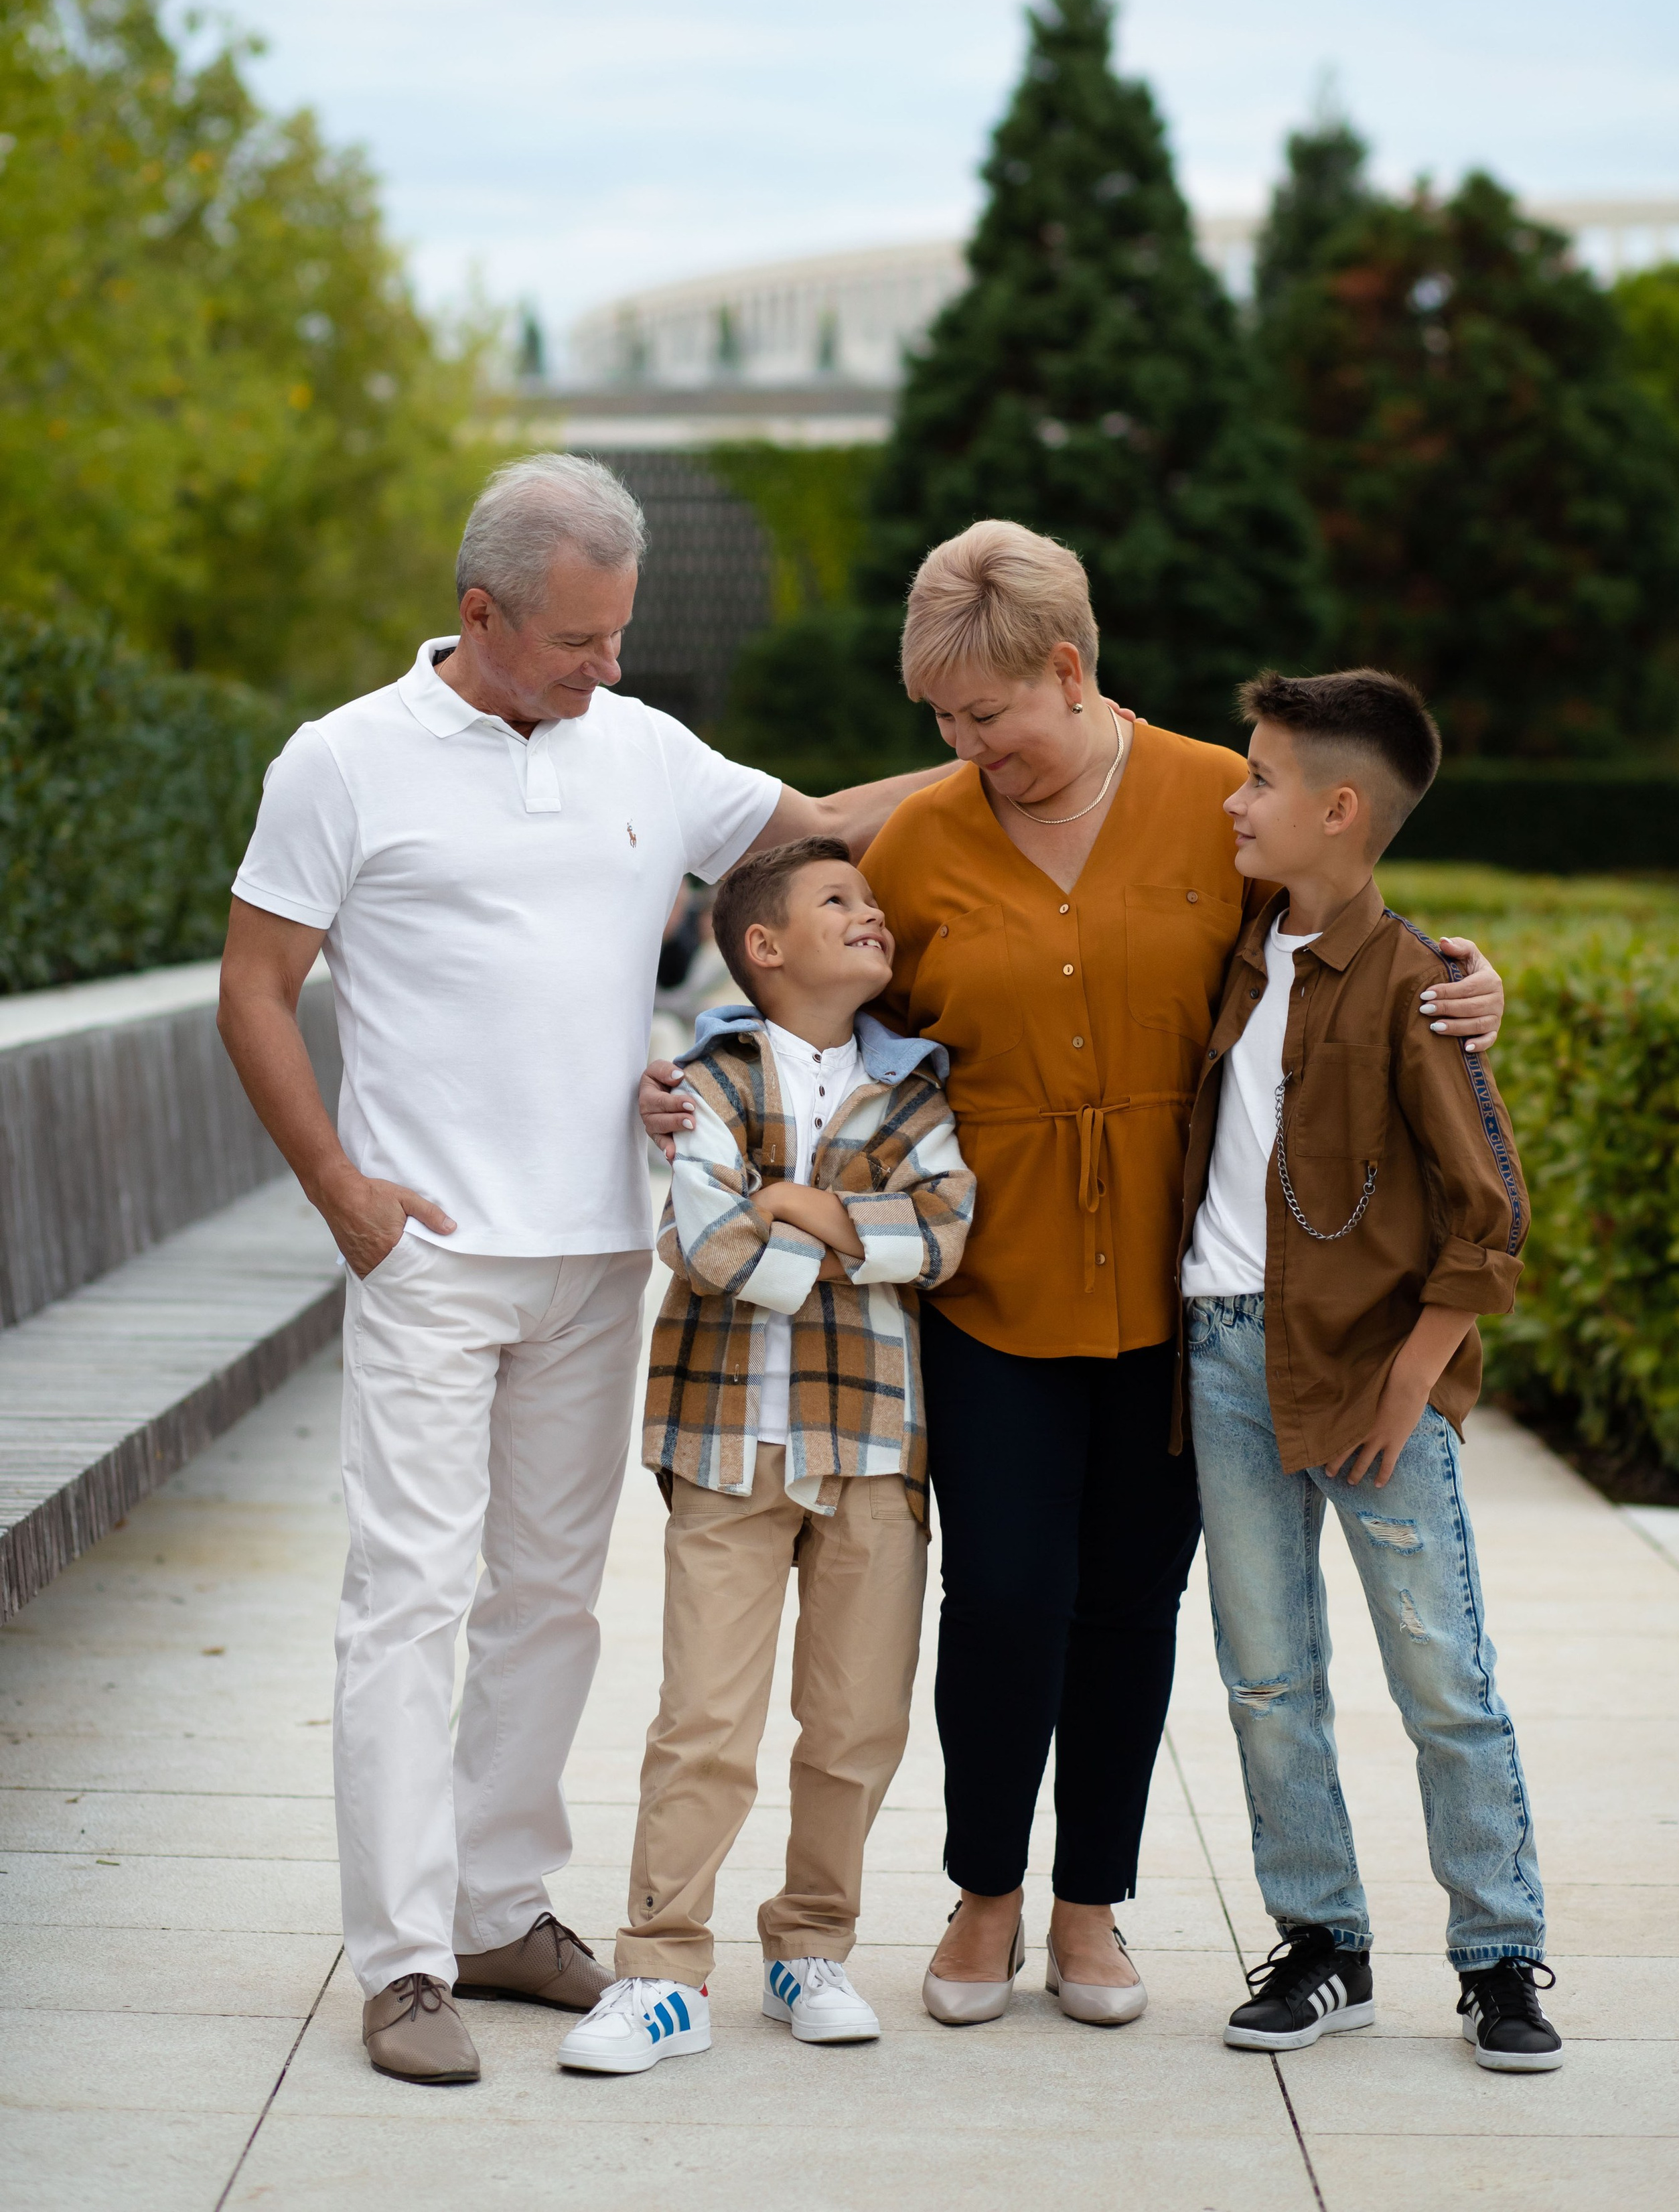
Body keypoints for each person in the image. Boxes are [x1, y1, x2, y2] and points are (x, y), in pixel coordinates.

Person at [642, 520, 1508, 2032]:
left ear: (1066, 667)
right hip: (984, 1289)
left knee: (1129, 1606)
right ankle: (983, 1895)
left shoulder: (1217, 802)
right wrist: (690, 1086)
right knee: (1000, 1599)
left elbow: (1343, 931)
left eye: (985, 714)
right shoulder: (915, 843)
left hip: (1181, 1300)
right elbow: (804, 1009)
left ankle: (1090, 1906)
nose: (962, 746)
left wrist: (1466, 979)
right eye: (938, 720)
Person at [216, 454, 955, 2086]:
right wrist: (341, 1193)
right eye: (577, 640)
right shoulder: (341, 760)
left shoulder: (643, 748)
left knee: (548, 1601)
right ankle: (404, 1962)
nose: (608, 665)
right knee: (408, 1600)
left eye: (619, 633)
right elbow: (255, 986)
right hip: (429, 1256)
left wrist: (1024, 753)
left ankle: (497, 1909)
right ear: (480, 613)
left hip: (603, 1253)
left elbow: (825, 827)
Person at [1181, 669, 1562, 2071]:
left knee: (1440, 1677)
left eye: (1260, 778)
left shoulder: (1416, 984)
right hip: (1221, 1353)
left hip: (1369, 1372)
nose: (1236, 799)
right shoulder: (1229, 949)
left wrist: (1409, 1385)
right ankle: (1320, 1944)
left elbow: (1489, 1216)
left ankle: (1499, 1956)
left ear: (1339, 809)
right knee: (1266, 1678)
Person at [560, 836, 974, 2074]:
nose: (872, 913)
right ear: (764, 945)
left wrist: (792, 1204)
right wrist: (850, 1234)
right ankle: (661, 1970)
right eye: (839, 899)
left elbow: (947, 1234)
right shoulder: (707, 1079)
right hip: (725, 1445)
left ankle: (812, 1948)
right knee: (705, 1719)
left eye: (873, 899)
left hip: (874, 1448)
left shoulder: (916, 1089)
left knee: (856, 1723)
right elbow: (705, 1239)